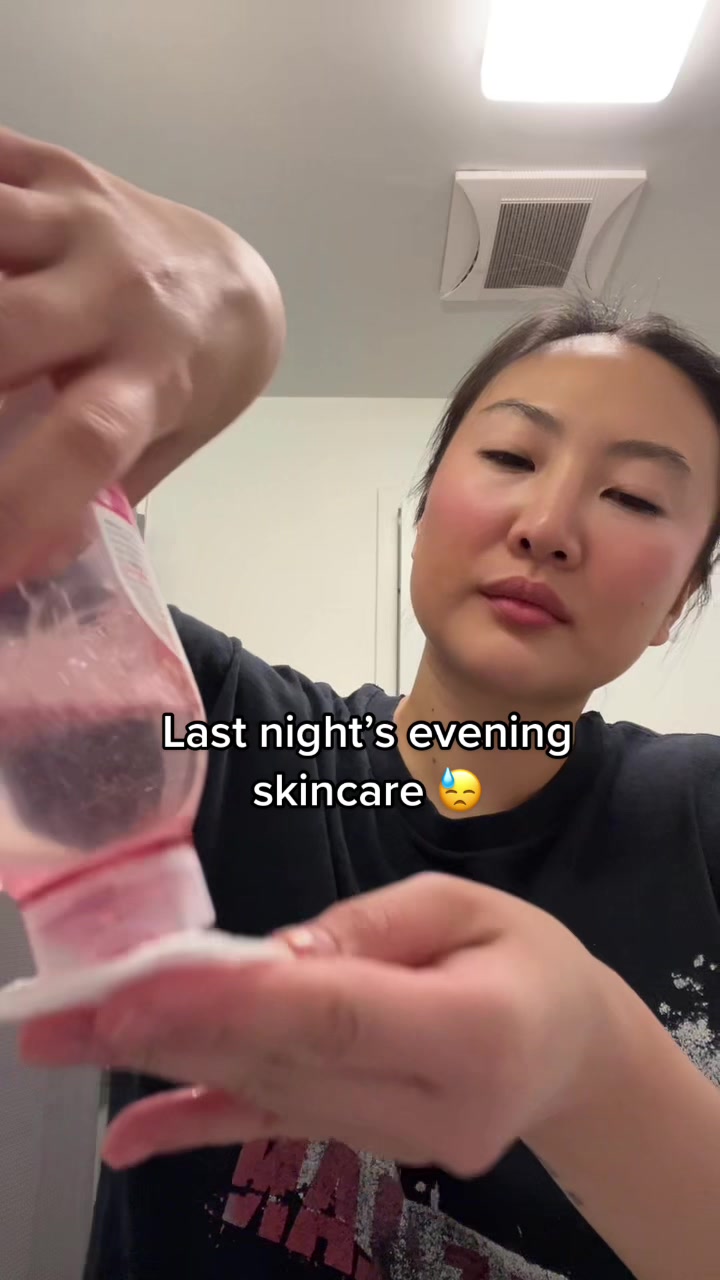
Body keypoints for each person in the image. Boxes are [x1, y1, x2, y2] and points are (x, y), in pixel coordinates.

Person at [3, 124, 719, 1280]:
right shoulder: (221, 729)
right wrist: (233, 307)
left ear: (680, 600)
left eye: (635, 496)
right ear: (426, 508)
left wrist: (595, 1064)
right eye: (511, 458)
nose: (548, 525)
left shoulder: (704, 818)